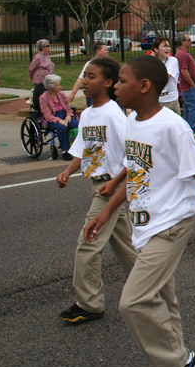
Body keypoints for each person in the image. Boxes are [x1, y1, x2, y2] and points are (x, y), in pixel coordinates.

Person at [83, 55, 195, 367]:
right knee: (163, 298)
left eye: (122, 81)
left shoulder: (172, 126)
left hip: (170, 224)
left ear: (144, 86)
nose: (117, 86)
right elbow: (138, 171)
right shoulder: (131, 122)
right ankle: (180, 352)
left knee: (134, 301)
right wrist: (108, 209)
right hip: (144, 223)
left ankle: (178, 364)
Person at [56, 56, 137, 324]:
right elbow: (83, 148)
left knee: (87, 243)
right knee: (123, 242)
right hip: (96, 182)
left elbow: (132, 155)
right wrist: (68, 171)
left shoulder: (114, 114)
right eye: (84, 76)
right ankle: (149, 285)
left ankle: (89, 303)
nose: (84, 82)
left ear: (109, 82)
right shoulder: (88, 114)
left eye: (91, 77)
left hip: (109, 187)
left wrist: (115, 184)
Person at [39, 74, 79, 161]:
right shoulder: (43, 98)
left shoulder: (61, 94)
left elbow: (68, 108)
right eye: (57, 85)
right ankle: (65, 151)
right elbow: (47, 115)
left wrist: (68, 115)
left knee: (78, 124)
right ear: (51, 86)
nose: (60, 87)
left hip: (64, 116)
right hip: (53, 118)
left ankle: (77, 147)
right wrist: (59, 120)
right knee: (62, 127)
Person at [175, 32, 195, 132]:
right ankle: (192, 129)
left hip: (190, 87)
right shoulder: (182, 54)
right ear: (183, 42)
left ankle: (187, 128)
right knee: (193, 108)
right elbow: (183, 70)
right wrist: (192, 84)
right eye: (189, 40)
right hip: (189, 88)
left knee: (189, 107)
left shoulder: (185, 53)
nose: (191, 41)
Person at [68, 42, 108, 107]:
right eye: (105, 50)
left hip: (105, 95)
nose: (107, 51)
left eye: (107, 50)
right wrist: (73, 93)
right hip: (92, 96)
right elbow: (81, 79)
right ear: (98, 51)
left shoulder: (109, 64)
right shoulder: (90, 64)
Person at [151, 37, 181, 115]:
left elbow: (164, 78)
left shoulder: (172, 61)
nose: (167, 49)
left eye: (168, 46)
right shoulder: (150, 62)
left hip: (170, 100)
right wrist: (152, 61)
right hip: (157, 101)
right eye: (164, 46)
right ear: (156, 49)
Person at [29, 39, 54, 109]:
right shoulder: (38, 57)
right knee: (42, 97)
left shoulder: (47, 56)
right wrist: (33, 78)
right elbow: (31, 69)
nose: (49, 47)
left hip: (48, 81)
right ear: (42, 48)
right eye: (47, 46)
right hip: (40, 81)